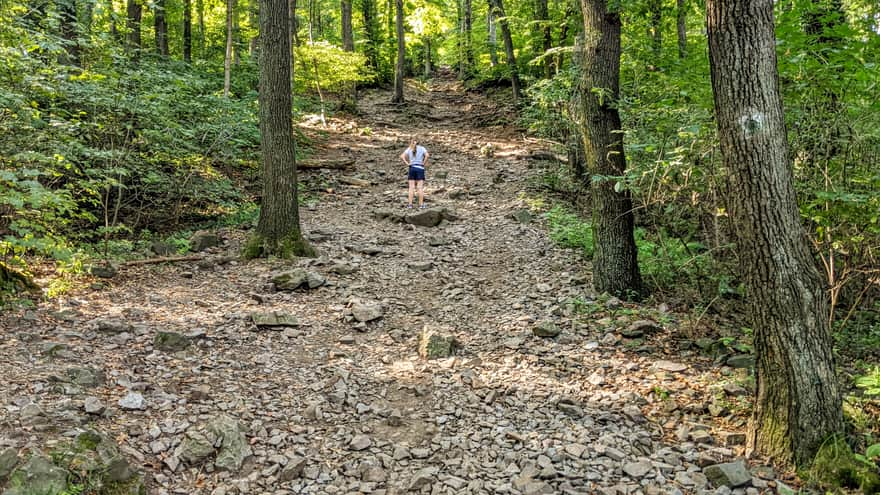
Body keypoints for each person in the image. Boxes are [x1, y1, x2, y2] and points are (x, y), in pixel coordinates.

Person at [400, 138, 429, 208]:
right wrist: (423, 163)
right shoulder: (422, 148)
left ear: (411, 142)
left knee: (411, 187)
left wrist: (407, 163)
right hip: (420, 168)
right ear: (419, 142)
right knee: (420, 187)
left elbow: (402, 156)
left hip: (412, 168)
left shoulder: (409, 148)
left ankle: (410, 205)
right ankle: (421, 205)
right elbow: (427, 155)